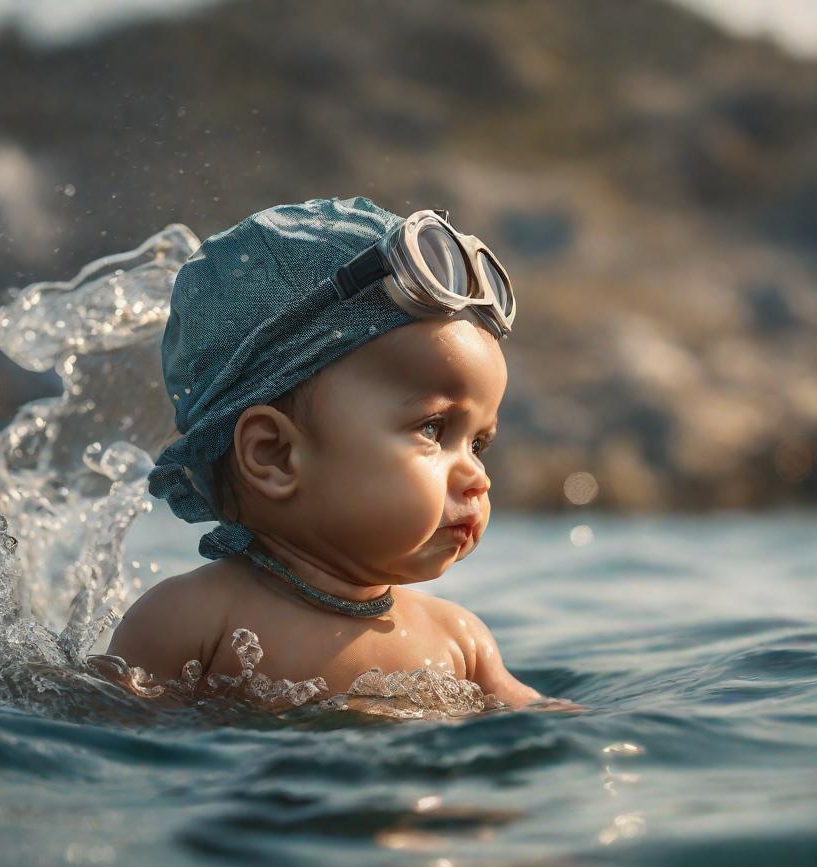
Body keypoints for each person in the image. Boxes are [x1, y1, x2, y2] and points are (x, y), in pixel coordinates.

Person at [104, 196, 553, 709]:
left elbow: (556, 730)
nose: (477, 476)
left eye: (477, 444)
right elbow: (105, 738)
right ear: (274, 455)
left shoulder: (462, 643)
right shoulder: (191, 622)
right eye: (433, 430)